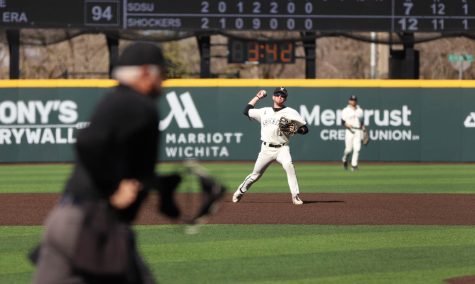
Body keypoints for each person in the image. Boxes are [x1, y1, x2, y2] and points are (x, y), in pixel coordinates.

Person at [32, 42, 167, 284]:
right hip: (92, 225)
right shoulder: (138, 104)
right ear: (146, 72)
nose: (164, 81)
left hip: (63, 219)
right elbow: (88, 141)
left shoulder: (115, 99)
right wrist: (112, 187)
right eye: (162, 73)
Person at [232, 87, 309, 205]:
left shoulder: (291, 112)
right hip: (266, 149)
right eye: (278, 94)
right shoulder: (264, 111)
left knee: (289, 166)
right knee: (255, 175)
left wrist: (296, 129)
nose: (280, 97)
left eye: (283, 95)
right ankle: (240, 191)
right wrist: (257, 97)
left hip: (282, 148)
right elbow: (246, 110)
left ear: (285, 98)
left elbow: (305, 129)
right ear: (273, 97)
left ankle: (295, 196)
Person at [341, 95, 365, 171]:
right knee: (348, 149)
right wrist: (347, 125)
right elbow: (343, 121)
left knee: (357, 149)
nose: (353, 101)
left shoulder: (360, 110)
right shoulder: (346, 110)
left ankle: (354, 165)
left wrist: (364, 129)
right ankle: (345, 159)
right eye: (352, 100)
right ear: (349, 101)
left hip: (358, 131)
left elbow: (362, 122)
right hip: (349, 131)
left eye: (354, 100)